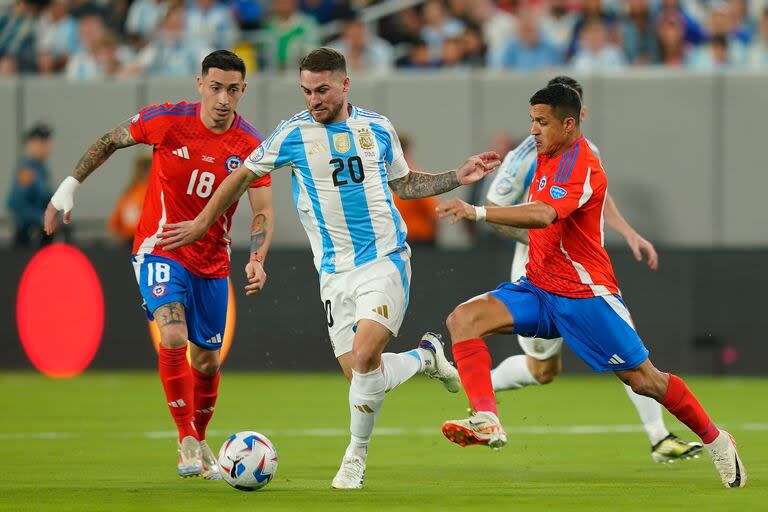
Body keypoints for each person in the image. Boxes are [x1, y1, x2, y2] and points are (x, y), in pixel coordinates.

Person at [156, 47, 500, 490]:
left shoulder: (376, 128)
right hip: (334, 273)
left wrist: (457, 175)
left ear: (344, 85)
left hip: (384, 259)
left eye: (322, 90)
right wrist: (204, 221)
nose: (313, 99)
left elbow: (404, 183)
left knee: (363, 357)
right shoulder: (292, 134)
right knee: (362, 376)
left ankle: (354, 460)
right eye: (306, 91)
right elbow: (241, 175)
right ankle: (425, 357)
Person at [436, 84, 746, 489]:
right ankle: (487, 419)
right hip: (538, 287)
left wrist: (476, 210)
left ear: (569, 123)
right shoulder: (542, 154)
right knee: (464, 319)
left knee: (645, 380)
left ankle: (716, 439)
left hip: (584, 295)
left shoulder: (579, 161)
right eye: (531, 120)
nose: (533, 129)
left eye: (542, 122)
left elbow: (546, 213)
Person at [43, 50, 272, 480]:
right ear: (200, 84)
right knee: (172, 333)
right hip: (160, 248)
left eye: (233, 89)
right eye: (216, 87)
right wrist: (68, 188)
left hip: (211, 261)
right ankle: (185, 438)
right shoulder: (167, 119)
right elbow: (110, 139)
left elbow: (262, 209)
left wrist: (257, 257)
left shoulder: (252, 146)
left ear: (244, 91)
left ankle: (200, 440)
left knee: (207, 362)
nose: (224, 98)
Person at [484, 75, 702, 464]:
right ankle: (482, 386)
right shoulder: (525, 156)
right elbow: (494, 214)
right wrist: (545, 240)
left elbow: (597, 195)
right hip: (539, 273)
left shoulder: (586, 149)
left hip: (586, 274)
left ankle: (660, 438)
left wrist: (629, 232)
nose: (577, 116)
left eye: (580, 109)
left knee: (630, 347)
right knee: (543, 369)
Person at [7, 123, 54, 248]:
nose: (46, 146)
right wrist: (40, 219)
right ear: (30, 144)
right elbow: (15, 203)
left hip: (41, 236)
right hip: (28, 237)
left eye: (47, 142)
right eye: (41, 142)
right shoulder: (27, 171)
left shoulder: (42, 171)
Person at [108, 153, 151, 247]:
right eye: (142, 168)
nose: (144, 172)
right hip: (129, 240)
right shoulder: (130, 191)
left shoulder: (155, 190)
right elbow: (115, 221)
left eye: (147, 167)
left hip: (149, 241)